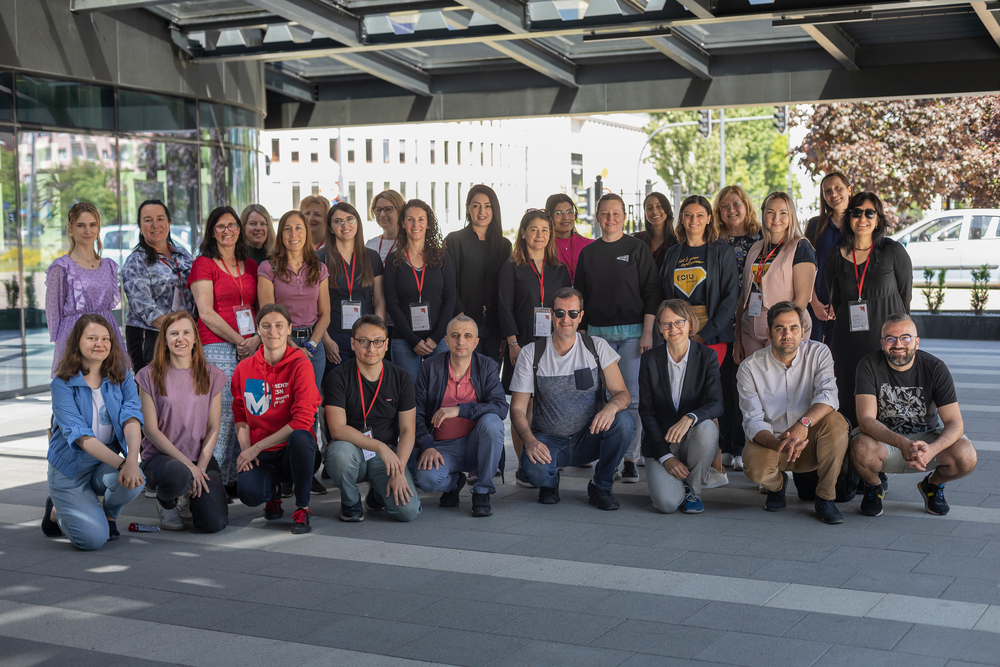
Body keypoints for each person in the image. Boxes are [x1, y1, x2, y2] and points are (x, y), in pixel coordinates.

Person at [510, 287, 635, 511]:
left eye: (572, 313)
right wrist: (530, 442)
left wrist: (611, 408)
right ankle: (549, 480)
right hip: (548, 442)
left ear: (581, 316)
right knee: (533, 474)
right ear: (550, 314)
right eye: (559, 313)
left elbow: (623, 394)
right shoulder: (531, 353)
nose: (565, 319)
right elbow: (518, 409)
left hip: (589, 437)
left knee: (624, 422)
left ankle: (601, 486)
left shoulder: (596, 347)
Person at [851, 314, 978, 517]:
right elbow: (866, 420)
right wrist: (901, 443)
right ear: (882, 343)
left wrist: (932, 449)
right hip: (885, 441)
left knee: (966, 455)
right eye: (891, 338)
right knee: (860, 448)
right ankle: (874, 487)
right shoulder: (868, 365)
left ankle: (932, 485)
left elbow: (955, 422)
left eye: (905, 338)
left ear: (916, 342)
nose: (898, 344)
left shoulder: (935, 368)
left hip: (927, 437)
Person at [575, 193, 661, 484]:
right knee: (600, 399)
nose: (610, 219)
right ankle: (607, 456)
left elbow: (651, 292)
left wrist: (648, 331)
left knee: (632, 399)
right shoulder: (588, 253)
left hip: (634, 335)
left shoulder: (637, 249)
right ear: (597, 217)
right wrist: (582, 337)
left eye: (616, 213)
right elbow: (580, 299)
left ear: (625, 216)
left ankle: (629, 459)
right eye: (604, 213)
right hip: (597, 337)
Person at [737, 302, 849, 524]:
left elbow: (829, 396)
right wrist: (779, 443)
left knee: (836, 423)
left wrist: (803, 424)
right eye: (779, 328)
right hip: (773, 442)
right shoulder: (750, 367)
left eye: (793, 328)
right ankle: (777, 487)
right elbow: (752, 420)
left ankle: (825, 498)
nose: (787, 334)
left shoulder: (819, 353)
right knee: (754, 466)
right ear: (769, 333)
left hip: (810, 439)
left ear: (803, 330)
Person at [42, 314, 144, 550]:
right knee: (92, 541)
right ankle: (57, 512)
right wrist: (123, 465)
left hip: (103, 462)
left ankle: (109, 514)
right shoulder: (61, 384)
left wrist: (131, 460)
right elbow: (82, 438)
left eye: (105, 338)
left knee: (136, 480)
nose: (100, 344)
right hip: (70, 468)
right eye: (92, 338)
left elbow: (132, 419)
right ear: (78, 341)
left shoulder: (122, 376)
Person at [231, 304, 322, 534]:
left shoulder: (301, 364)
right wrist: (246, 451)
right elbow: (240, 414)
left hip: (294, 452)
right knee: (249, 494)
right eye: (266, 326)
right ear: (258, 331)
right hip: (263, 454)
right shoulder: (243, 369)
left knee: (302, 437)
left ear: (289, 329)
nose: (273, 331)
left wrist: (255, 447)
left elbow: (302, 421)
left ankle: (302, 508)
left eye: (279, 326)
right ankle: (272, 495)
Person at [136, 311, 228, 533]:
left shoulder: (212, 375)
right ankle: (167, 502)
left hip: (200, 459)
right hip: (162, 460)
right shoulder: (148, 375)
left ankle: (187, 495)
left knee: (213, 524)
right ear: (165, 340)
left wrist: (201, 467)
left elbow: (213, 427)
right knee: (178, 475)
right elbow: (150, 429)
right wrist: (189, 467)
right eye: (174, 333)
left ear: (195, 339)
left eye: (187, 333)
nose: (181, 339)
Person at [188, 206, 260, 488]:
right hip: (217, 345)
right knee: (222, 413)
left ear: (239, 229)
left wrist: (254, 339)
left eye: (232, 225)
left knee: (245, 411)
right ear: (212, 232)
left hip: (250, 346)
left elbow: (256, 306)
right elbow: (205, 313)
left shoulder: (251, 264)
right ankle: (212, 478)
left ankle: (232, 479)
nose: (227, 230)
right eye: (220, 226)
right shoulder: (203, 264)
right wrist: (239, 340)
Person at [497, 209, 571, 486]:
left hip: (552, 346)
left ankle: (546, 456)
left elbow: (565, 308)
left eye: (545, 230)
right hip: (523, 344)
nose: (540, 235)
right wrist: (513, 343)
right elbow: (503, 306)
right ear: (524, 232)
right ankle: (524, 465)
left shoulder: (558, 268)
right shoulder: (511, 267)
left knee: (546, 403)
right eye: (534, 229)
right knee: (521, 405)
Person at [324, 315, 421, 522]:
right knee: (339, 454)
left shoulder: (401, 378)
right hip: (351, 451)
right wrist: (379, 447)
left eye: (378, 341)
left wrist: (399, 470)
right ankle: (350, 502)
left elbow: (407, 431)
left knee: (408, 512)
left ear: (386, 344)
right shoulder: (338, 377)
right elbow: (337, 429)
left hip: (384, 456)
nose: (371, 348)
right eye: (363, 341)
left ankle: (377, 494)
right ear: (353, 343)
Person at [826, 192, 912, 426]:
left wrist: (904, 341)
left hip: (887, 343)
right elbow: (837, 302)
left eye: (869, 213)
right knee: (848, 398)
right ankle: (849, 456)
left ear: (877, 219)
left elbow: (906, 300)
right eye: (856, 212)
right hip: (848, 343)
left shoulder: (893, 251)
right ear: (848, 217)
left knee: (889, 402)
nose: (862, 218)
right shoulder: (835, 257)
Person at [413, 316, 508, 517]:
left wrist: (460, 409)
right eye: (455, 336)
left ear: (476, 342)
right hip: (442, 447)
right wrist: (427, 445)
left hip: (476, 444)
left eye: (467, 336)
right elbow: (416, 412)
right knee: (427, 480)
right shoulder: (430, 367)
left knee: (493, 422)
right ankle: (454, 483)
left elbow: (500, 407)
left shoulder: (487, 366)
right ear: (446, 341)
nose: (461, 341)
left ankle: (482, 491)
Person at [639, 299, 724, 514]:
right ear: (659, 328)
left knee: (707, 428)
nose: (673, 328)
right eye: (666, 324)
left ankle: (692, 489)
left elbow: (717, 404)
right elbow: (646, 411)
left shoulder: (707, 356)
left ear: (690, 323)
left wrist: (690, 418)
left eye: (679, 322)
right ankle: (677, 481)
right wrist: (666, 458)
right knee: (667, 505)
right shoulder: (649, 360)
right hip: (661, 443)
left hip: (693, 438)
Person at [714, 185, 762, 472]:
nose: (731, 210)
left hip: (751, 323)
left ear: (746, 205)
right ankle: (726, 446)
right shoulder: (714, 242)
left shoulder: (761, 239)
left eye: (736, 204)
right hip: (721, 323)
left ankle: (744, 445)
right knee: (724, 386)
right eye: (724, 206)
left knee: (748, 387)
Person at [734, 191, 817, 360]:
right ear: (763, 214)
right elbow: (744, 297)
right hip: (750, 327)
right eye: (770, 212)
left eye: (783, 213)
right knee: (755, 381)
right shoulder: (755, 248)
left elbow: (802, 299)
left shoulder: (800, 246)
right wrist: (737, 339)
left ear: (791, 215)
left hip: (782, 329)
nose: (776, 217)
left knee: (781, 382)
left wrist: (789, 330)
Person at [45, 202, 124, 375]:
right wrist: (62, 348)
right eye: (81, 225)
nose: (87, 231)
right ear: (71, 228)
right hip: (74, 337)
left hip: (106, 334)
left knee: (111, 388)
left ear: (98, 228)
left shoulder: (108, 266)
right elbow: (53, 313)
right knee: (77, 391)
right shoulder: (61, 267)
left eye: (92, 225)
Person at [661, 195, 740, 367]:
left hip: (711, 332)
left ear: (709, 218)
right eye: (688, 215)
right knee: (680, 385)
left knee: (707, 385)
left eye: (700, 215)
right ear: (681, 217)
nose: (693, 220)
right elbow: (663, 293)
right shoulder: (672, 253)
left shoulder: (723, 252)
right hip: (677, 331)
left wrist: (705, 334)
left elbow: (730, 297)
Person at [383, 199, 457, 381]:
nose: (416, 224)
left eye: (421, 219)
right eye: (410, 219)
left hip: (438, 340)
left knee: (438, 393)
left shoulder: (441, 256)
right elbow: (391, 303)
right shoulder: (393, 260)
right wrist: (412, 339)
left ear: (428, 223)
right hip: (404, 340)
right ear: (402, 223)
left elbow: (450, 297)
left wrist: (437, 336)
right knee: (408, 396)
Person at [258, 210, 330, 391]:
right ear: (281, 234)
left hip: (313, 344)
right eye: (287, 229)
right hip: (279, 342)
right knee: (283, 400)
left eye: (298, 228)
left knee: (311, 403)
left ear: (306, 232)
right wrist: (292, 347)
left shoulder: (319, 268)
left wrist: (311, 345)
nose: (293, 234)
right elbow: (268, 315)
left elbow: (325, 314)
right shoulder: (269, 268)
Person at [122, 199, 195, 372]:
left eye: (160, 219)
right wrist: (179, 331)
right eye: (148, 220)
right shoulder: (135, 261)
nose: (155, 225)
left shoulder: (182, 254)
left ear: (169, 223)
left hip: (184, 338)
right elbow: (144, 307)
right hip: (151, 338)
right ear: (140, 226)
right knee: (155, 394)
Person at [445, 184, 512, 363]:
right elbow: (448, 283)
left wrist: (507, 332)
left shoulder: (504, 246)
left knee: (489, 379)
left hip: (495, 326)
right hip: (463, 326)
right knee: (465, 378)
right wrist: (460, 316)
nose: (482, 211)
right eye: (476, 206)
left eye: (487, 206)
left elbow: (507, 290)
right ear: (468, 209)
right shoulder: (454, 240)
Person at [322, 202, 386, 373]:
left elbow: (380, 302)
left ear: (358, 222)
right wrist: (325, 340)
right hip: (333, 338)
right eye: (338, 221)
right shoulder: (320, 258)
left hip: (366, 340)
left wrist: (376, 336)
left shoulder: (372, 257)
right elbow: (313, 304)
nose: (345, 225)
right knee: (337, 392)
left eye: (350, 219)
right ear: (330, 227)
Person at [804, 172, 852, 344]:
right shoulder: (815, 225)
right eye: (827, 191)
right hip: (818, 307)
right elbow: (806, 267)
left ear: (849, 190)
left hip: (849, 305)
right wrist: (814, 301)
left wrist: (840, 305)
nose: (833, 194)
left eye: (838, 188)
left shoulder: (859, 225)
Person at [545, 193, 592, 285]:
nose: (566, 217)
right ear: (549, 216)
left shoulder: (590, 246)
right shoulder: (543, 247)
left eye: (570, 212)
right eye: (559, 213)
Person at [634, 192, 678, 271]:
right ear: (645, 213)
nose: (654, 211)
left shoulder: (677, 243)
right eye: (650, 208)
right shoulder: (637, 240)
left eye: (659, 206)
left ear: (667, 209)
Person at [366, 189, 404, 264]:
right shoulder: (370, 245)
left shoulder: (409, 244)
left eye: (388, 209)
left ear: (400, 211)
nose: (382, 215)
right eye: (378, 210)